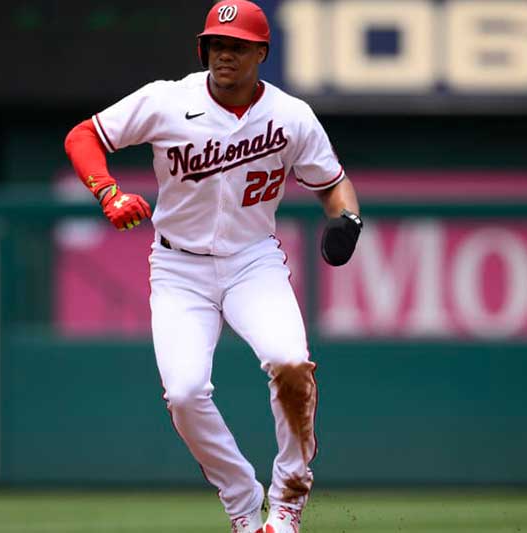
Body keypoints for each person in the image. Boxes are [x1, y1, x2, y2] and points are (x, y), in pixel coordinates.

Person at [64, 2, 362, 531]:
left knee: (290, 361)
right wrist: (107, 191)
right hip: (180, 268)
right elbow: (83, 135)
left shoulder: (291, 115)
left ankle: (289, 498)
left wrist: (348, 218)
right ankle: (243, 503)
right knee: (183, 393)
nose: (225, 54)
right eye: (217, 44)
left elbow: (332, 183)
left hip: (253, 261)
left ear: (261, 53)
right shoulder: (167, 100)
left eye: (238, 45)